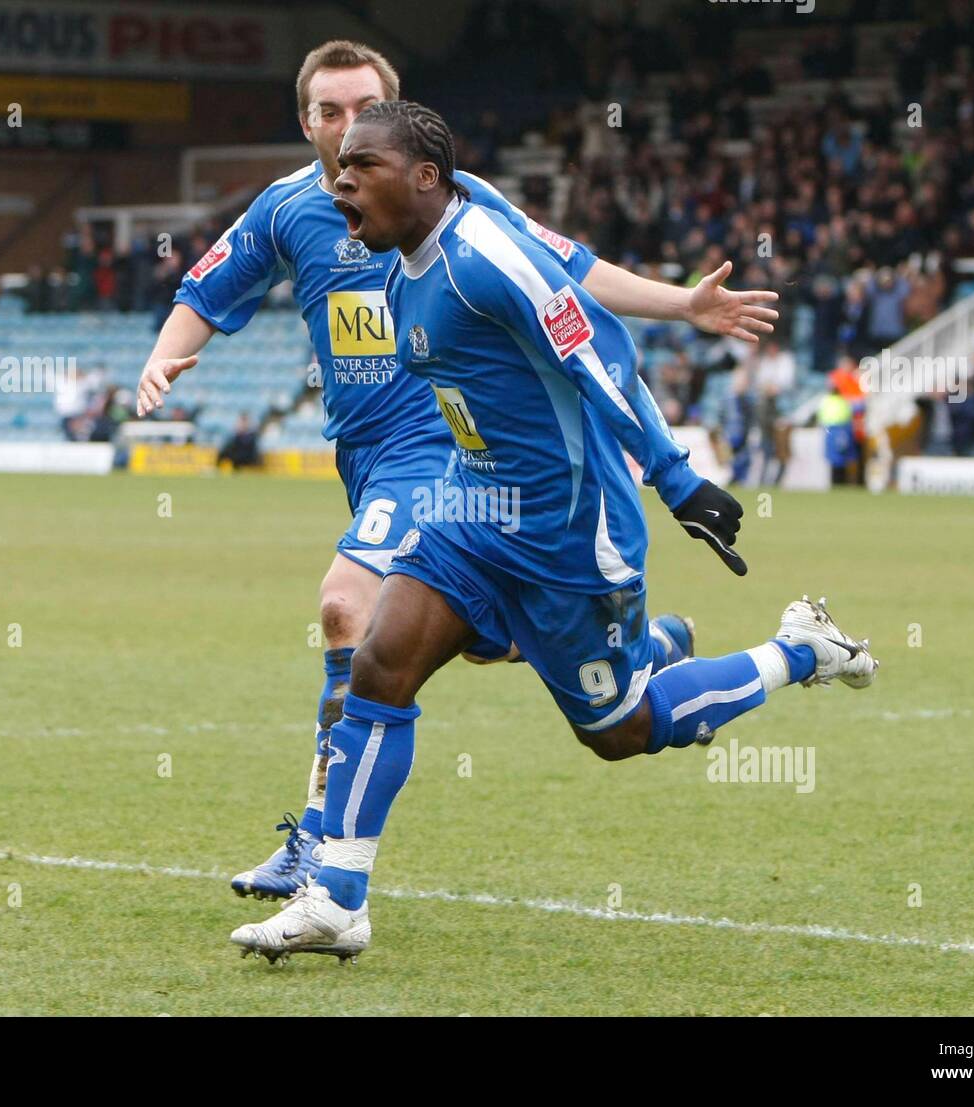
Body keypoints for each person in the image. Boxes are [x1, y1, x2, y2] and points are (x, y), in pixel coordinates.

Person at [229, 101, 876, 962]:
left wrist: (677, 478)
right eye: (338, 165)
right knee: (380, 665)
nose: (340, 181)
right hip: (468, 514)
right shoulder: (398, 268)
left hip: (569, 533)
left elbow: (600, 351)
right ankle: (336, 901)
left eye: (362, 166)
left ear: (427, 177)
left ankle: (798, 648)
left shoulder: (487, 257)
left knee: (619, 730)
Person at [136, 40, 779, 905]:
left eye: (362, 111)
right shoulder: (288, 211)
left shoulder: (462, 211)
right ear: (306, 122)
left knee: (345, 608)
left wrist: (683, 303)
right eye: (328, 113)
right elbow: (207, 289)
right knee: (501, 653)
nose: (343, 127)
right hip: (366, 457)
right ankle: (644, 648)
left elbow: (571, 275)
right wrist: (165, 358)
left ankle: (323, 851)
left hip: (446, 453)